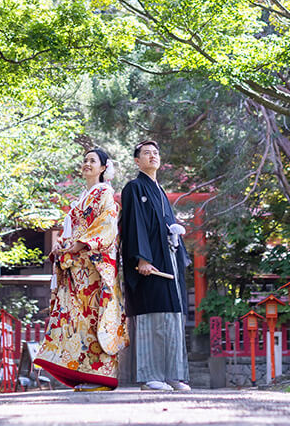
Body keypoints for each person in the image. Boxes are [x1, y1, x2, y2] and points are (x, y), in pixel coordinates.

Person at [34, 147, 128, 391]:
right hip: (77, 268)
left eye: (93, 161)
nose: (87, 164)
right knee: (79, 322)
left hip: (94, 269)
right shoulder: (81, 198)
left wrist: (79, 244)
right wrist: (62, 247)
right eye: (85, 160)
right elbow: (71, 230)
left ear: (104, 168)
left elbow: (107, 225)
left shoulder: (105, 193)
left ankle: (102, 376)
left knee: (96, 319)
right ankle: (84, 374)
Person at [119, 140, 191, 391]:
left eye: (156, 153)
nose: (153, 156)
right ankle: (151, 376)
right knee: (152, 316)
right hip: (150, 264)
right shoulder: (134, 188)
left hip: (168, 261)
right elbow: (134, 225)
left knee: (172, 318)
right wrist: (142, 259)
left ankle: (173, 374)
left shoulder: (160, 191)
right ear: (137, 161)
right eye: (146, 153)